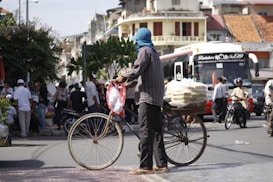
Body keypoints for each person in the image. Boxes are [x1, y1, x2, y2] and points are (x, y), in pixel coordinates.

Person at [116, 28, 168, 175]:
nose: (136, 43)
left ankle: (145, 166)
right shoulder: (154, 53)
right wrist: (127, 84)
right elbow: (141, 76)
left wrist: (123, 76)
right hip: (156, 98)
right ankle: (162, 164)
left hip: (147, 98)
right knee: (157, 132)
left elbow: (136, 70)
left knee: (145, 132)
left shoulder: (144, 51)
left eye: (136, 40)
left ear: (140, 40)